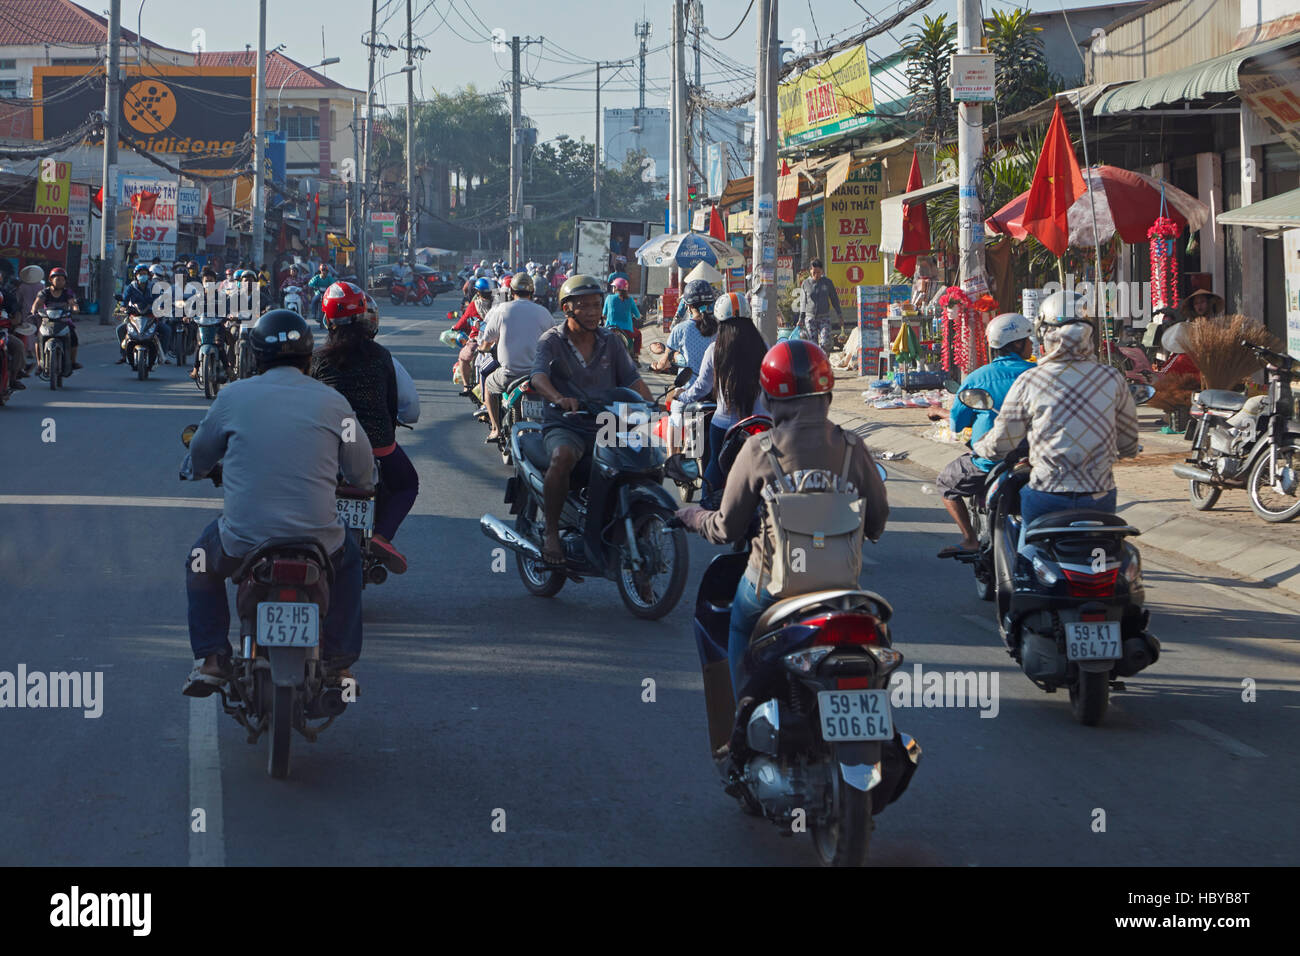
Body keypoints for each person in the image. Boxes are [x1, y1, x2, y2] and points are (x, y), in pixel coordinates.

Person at [674, 339, 888, 695]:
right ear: (828, 395)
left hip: (772, 589)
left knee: (739, 627)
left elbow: (727, 528)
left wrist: (694, 516)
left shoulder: (759, 450)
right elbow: (878, 519)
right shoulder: (853, 447)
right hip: (843, 591)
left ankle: (742, 715)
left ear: (769, 399)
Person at [182, 309, 373, 696]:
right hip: (320, 542)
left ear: (254, 357)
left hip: (243, 541)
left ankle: (213, 659)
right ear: (308, 358)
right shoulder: (334, 403)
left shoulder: (232, 396)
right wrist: (359, 481)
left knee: (199, 563)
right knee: (352, 561)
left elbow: (200, 455)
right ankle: (338, 663)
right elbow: (362, 470)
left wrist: (196, 470)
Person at [973, 291, 1139, 527]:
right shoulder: (1112, 377)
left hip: (1047, 494)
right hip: (1100, 496)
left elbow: (1003, 442)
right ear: (1090, 333)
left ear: (1044, 333)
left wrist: (981, 448)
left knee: (1025, 552)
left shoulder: (1031, 380)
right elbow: (1129, 442)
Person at [529, 273, 654, 566]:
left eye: (597, 305)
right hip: (567, 422)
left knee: (644, 465)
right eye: (584, 306)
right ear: (567, 308)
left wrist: (654, 409)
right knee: (562, 457)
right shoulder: (552, 340)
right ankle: (551, 533)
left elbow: (634, 380)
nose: (592, 312)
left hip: (609, 424)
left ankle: (638, 542)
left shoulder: (611, 340)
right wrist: (559, 398)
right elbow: (538, 376)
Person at [310, 281, 417, 573]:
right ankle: (382, 535)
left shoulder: (317, 359)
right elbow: (392, 402)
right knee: (408, 484)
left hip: (329, 445)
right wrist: (386, 432)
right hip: (378, 443)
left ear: (328, 320)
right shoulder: (381, 356)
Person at [936, 313, 1036, 556]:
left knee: (945, 483)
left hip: (991, 460)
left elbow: (958, 424)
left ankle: (970, 539)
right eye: (1028, 339)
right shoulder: (1039, 373)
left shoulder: (978, 377)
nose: (1032, 344)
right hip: (1037, 457)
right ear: (1017, 344)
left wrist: (940, 413)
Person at [667, 291, 769, 491]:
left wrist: (681, 395)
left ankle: (707, 504)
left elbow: (701, 387)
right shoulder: (763, 345)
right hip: (761, 421)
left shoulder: (716, 349)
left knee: (714, 463)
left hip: (725, 424)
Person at [478, 271, 555, 442]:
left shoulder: (502, 310)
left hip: (509, 375)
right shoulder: (543, 312)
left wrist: (483, 348)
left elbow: (487, 339)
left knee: (489, 387)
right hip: (538, 376)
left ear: (511, 292)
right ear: (532, 292)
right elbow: (554, 340)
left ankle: (496, 430)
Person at [652, 279, 717, 376]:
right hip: (716, 386)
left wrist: (656, 366)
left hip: (688, 386)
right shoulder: (720, 328)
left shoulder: (680, 329)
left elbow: (664, 362)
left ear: (688, 305)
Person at [32, 267, 83, 373]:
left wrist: (75, 309)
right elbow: (37, 303)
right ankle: (40, 365)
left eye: (62, 279)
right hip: (47, 322)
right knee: (38, 339)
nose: (60, 282)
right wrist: (33, 311)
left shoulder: (67, 293)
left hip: (64, 321)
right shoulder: (45, 292)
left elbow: (72, 303)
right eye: (57, 279)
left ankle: (73, 362)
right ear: (51, 280)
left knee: (74, 338)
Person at [116, 263, 167, 363]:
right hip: (134, 317)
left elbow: (160, 300)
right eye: (140, 274)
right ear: (136, 275)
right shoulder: (131, 287)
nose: (142, 276)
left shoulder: (153, 287)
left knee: (166, 330)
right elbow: (124, 301)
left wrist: (161, 308)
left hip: (151, 317)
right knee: (120, 330)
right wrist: (122, 307)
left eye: (144, 273)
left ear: (148, 275)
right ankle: (124, 354)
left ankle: (162, 356)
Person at [454, 278, 494, 392]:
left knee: (463, 358)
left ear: (477, 291)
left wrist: (455, 327)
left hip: (478, 341)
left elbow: (462, 322)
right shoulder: (498, 305)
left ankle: (466, 386)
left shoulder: (474, 305)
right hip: (496, 340)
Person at [797, 258, 843, 352]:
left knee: (825, 343)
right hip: (810, 318)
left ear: (822, 271)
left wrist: (840, 315)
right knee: (812, 345)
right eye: (814, 272)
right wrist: (801, 318)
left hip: (824, 318)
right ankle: (814, 364)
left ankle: (824, 360)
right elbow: (803, 301)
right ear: (810, 271)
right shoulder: (805, 284)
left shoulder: (827, 283)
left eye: (818, 272)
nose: (816, 275)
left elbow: (834, 299)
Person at [602, 277, 642, 360]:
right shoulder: (630, 299)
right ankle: (635, 355)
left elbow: (604, 313)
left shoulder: (609, 298)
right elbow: (637, 315)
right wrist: (639, 317)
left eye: (613, 287)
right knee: (638, 334)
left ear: (616, 288)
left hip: (610, 328)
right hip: (627, 330)